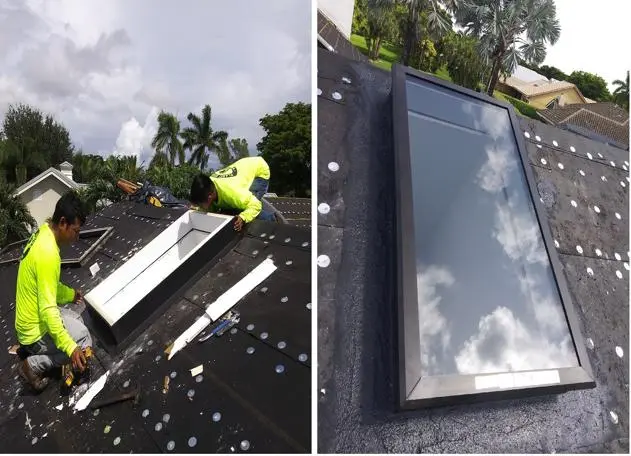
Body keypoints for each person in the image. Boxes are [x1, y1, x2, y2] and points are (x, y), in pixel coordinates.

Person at [15, 191, 92, 392]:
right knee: (83, 342)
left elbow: (47, 286)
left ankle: (49, 353)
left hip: (30, 320)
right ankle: (31, 366)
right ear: (63, 223)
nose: (76, 237)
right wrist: (71, 347)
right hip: (34, 332)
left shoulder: (43, 232)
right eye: (75, 231)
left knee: (77, 319)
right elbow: (49, 309)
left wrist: (70, 295)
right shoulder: (48, 253)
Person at [189, 156, 276, 231]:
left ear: (209, 197)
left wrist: (243, 217)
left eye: (199, 205)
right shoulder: (208, 185)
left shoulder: (233, 193)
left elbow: (255, 205)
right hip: (244, 167)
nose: (199, 207)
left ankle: (271, 219)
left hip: (259, 170)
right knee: (227, 210)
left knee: (242, 210)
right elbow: (210, 207)